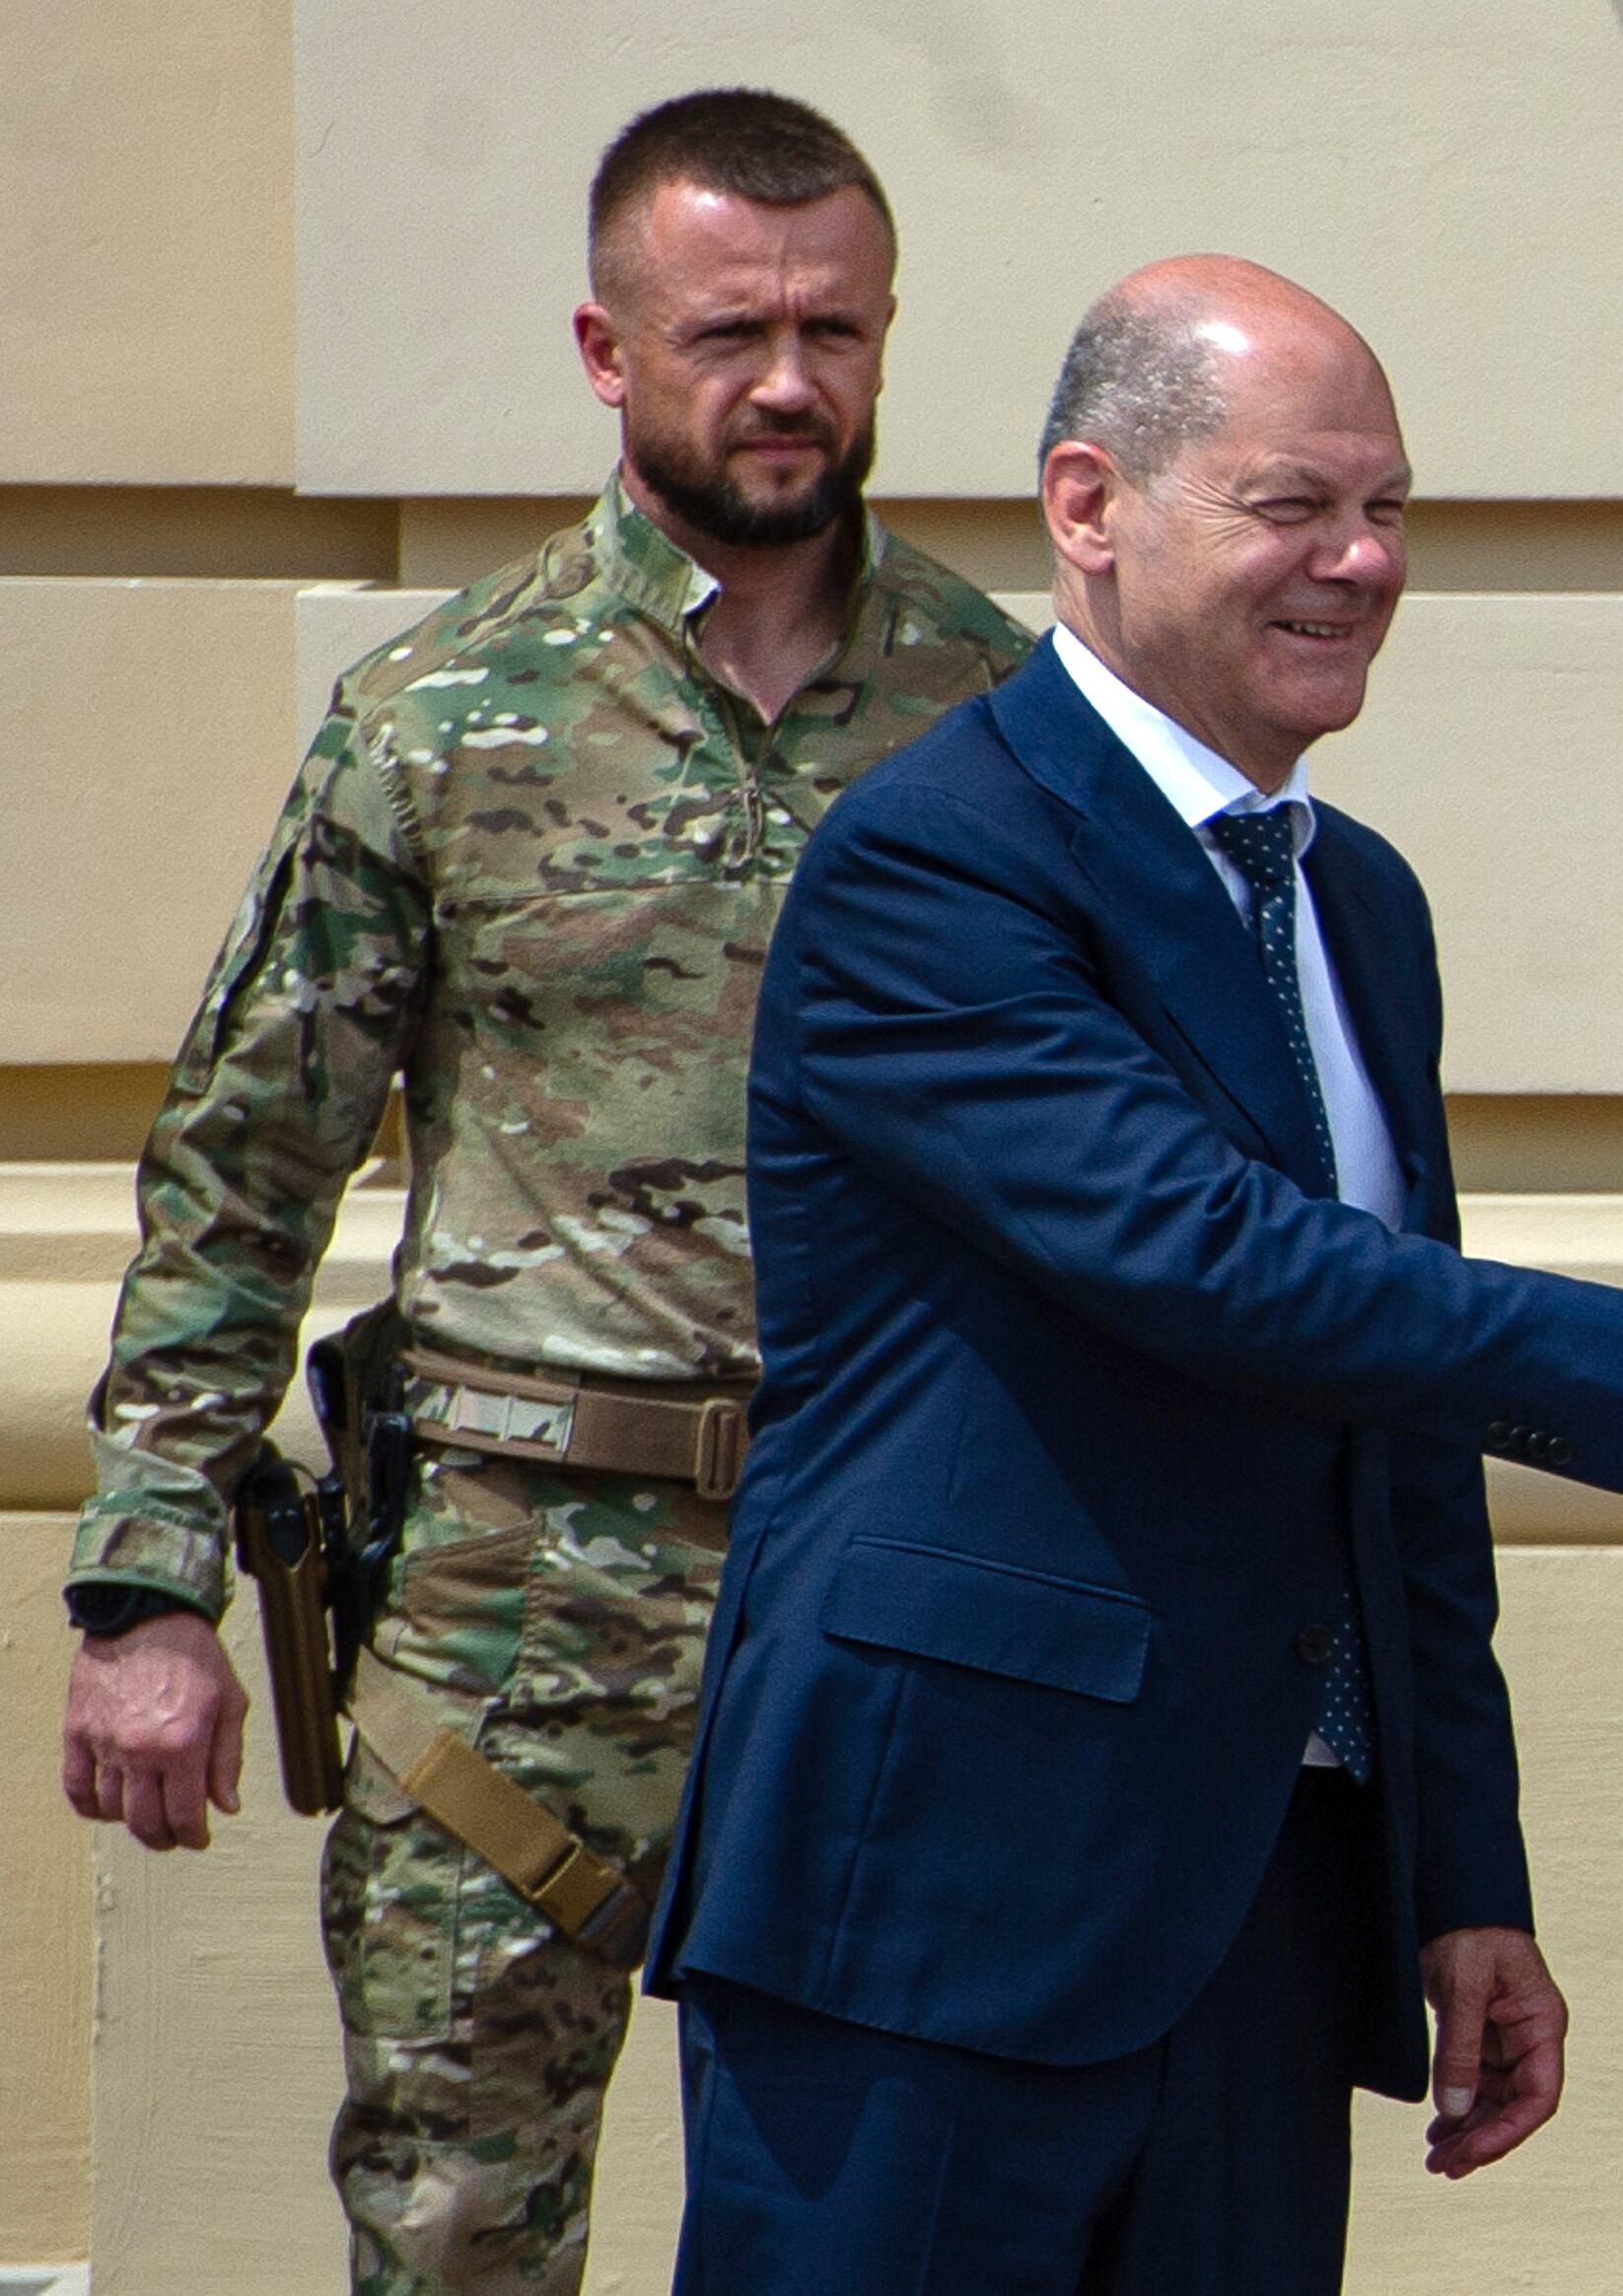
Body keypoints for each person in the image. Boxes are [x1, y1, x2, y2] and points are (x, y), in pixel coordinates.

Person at [646, 255, 1623, 2296]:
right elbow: (1210, 1260)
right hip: (938, 1910)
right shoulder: (937, 860)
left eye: (1391, 508)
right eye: (1294, 508)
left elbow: (1392, 1419)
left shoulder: (1357, 903)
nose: (1360, 562)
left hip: (1263, 1911)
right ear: (1090, 504)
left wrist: (1463, 1872)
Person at [48, 89, 1032, 2293]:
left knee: (907, 2221)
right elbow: (242, 1165)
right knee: (459, 2223)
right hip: (511, 1617)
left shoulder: (1009, 721)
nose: (787, 383)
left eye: (835, 331)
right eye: (727, 333)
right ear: (606, 350)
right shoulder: (438, 717)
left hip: (894, 1589)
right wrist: (143, 1588)